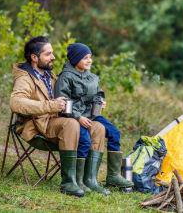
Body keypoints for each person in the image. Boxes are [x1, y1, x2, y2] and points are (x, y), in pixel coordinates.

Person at [10, 36, 106, 197]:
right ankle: (69, 182)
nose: (53, 57)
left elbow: (74, 96)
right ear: (34, 58)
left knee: (98, 128)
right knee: (71, 124)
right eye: (48, 54)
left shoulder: (50, 75)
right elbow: (16, 102)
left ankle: (87, 180)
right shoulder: (25, 78)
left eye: (52, 53)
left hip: (56, 122)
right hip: (36, 127)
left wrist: (96, 101)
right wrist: (51, 105)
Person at [54, 43, 134, 195]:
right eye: (85, 58)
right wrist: (78, 117)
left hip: (92, 115)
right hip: (74, 117)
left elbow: (98, 94)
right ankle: (79, 181)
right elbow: (63, 102)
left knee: (114, 133)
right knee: (84, 140)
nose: (89, 61)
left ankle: (113, 176)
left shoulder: (92, 77)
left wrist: (100, 103)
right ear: (76, 59)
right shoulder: (65, 77)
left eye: (90, 57)